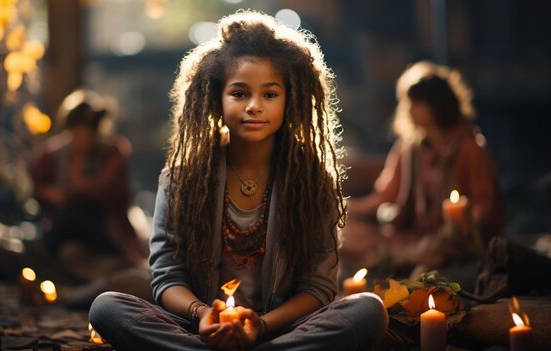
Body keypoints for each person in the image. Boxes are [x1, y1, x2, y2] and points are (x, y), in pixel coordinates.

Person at [89, 10, 387, 351]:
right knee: (107, 306)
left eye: (270, 94)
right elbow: (167, 276)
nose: (255, 106)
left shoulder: (311, 180)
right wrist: (203, 315)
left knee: (367, 310)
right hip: (198, 326)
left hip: (281, 327)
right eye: (240, 93)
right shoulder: (183, 178)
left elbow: (318, 287)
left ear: (291, 101)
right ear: (217, 98)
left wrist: (259, 325)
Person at [340, 61, 505, 280]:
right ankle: (415, 259)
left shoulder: (470, 149)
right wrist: (345, 209)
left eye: (416, 102)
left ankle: (421, 262)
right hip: (411, 240)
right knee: (343, 233)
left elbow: (485, 206)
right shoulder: (407, 148)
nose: (409, 108)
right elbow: (385, 196)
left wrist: (460, 228)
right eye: (409, 102)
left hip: (451, 243)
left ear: (436, 106)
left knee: (439, 251)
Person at [30, 89, 149, 283]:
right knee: (67, 231)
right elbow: (37, 187)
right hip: (68, 230)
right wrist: (50, 194)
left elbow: (104, 190)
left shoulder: (112, 152)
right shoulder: (55, 154)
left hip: (105, 229)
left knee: (74, 215)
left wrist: (69, 195)